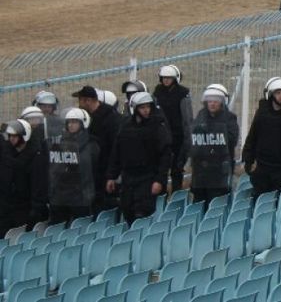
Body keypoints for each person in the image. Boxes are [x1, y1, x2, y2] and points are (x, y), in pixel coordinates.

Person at [106, 93, 171, 224]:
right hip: (128, 178)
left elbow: (165, 156)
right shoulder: (125, 126)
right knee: (128, 211)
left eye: (148, 107)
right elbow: (117, 153)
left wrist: (159, 180)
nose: (146, 110)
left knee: (142, 214)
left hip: (148, 177)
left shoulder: (157, 126)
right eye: (142, 107)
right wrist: (111, 176)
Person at [241, 78, 281, 198]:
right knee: (260, 201)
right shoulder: (262, 112)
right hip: (262, 168)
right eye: (278, 93)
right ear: (271, 95)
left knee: (280, 201)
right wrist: (248, 159)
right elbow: (252, 136)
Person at [188, 84, 239, 205]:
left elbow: (232, 139)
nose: (212, 104)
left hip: (220, 171)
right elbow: (193, 138)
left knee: (218, 205)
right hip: (200, 173)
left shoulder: (229, 118)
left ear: (222, 102)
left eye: (216, 101)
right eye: (209, 101)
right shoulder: (200, 116)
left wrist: (215, 134)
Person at [71, 85, 119, 211]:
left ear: (88, 101)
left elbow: (114, 147)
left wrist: (111, 174)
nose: (79, 104)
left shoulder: (108, 119)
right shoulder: (94, 116)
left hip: (104, 172)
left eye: (80, 100)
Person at [49, 109, 101, 225]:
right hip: (61, 197)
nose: (71, 125)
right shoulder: (60, 143)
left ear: (83, 123)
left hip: (82, 196)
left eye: (75, 122)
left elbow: (89, 168)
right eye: (69, 122)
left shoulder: (91, 144)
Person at [153, 65, 192, 192]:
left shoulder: (183, 94)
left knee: (177, 169)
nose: (166, 80)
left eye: (169, 78)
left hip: (178, 135)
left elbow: (187, 118)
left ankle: (177, 194)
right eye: (164, 78)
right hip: (162, 135)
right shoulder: (157, 92)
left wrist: (187, 139)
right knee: (162, 169)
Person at [0, 119, 36, 233]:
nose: (12, 139)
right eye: (10, 136)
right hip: (6, 208)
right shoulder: (6, 155)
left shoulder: (35, 156)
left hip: (24, 209)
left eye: (15, 136)